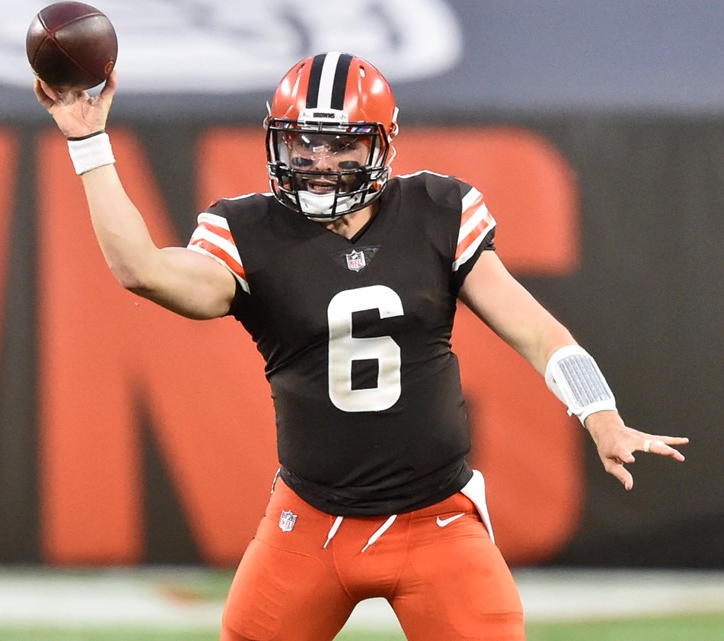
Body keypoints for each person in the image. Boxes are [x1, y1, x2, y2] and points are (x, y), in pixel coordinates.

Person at [35, 51, 688, 641]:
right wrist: (89, 142)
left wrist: (599, 412)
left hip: (436, 521)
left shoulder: (437, 211)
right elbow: (142, 270)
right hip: (311, 521)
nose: (317, 163)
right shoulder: (252, 231)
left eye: (339, 144)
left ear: (380, 146)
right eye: (302, 143)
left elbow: (540, 330)